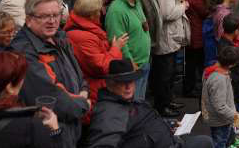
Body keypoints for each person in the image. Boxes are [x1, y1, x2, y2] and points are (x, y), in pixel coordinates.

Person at [10, 0, 90, 148]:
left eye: (56, 15)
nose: (52, 21)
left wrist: (84, 90)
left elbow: (79, 74)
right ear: (29, 20)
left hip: (71, 126)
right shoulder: (24, 51)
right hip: (51, 132)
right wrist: (83, 104)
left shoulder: (60, 38)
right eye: (44, 16)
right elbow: (51, 97)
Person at [84, 58, 213, 148]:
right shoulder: (109, 113)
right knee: (205, 142)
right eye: (122, 83)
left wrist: (168, 123)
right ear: (110, 85)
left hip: (169, 139)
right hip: (166, 143)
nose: (128, 87)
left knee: (204, 141)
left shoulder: (128, 101)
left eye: (131, 81)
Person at [64, 0, 127, 107]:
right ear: (92, 15)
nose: (102, 13)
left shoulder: (84, 29)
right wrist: (116, 48)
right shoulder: (83, 37)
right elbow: (101, 66)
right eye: (99, 10)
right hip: (94, 91)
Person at [148, 0, 189, 117]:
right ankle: (162, 105)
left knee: (168, 72)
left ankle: (167, 101)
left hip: (168, 34)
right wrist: (183, 6)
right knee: (164, 73)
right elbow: (168, 13)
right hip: (166, 35)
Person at [105, 0, 152, 101]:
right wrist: (131, 64)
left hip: (143, 63)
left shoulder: (137, 2)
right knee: (133, 107)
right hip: (132, 69)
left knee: (140, 102)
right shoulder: (116, 11)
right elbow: (118, 42)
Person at [202, 46, 239, 148]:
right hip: (220, 120)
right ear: (231, 64)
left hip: (221, 116)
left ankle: (231, 142)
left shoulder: (212, 69)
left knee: (226, 135)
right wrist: (234, 115)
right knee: (220, 141)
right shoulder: (219, 80)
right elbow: (220, 106)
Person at [178, 0, 208, 98]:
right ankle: (190, 88)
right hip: (195, 28)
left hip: (190, 25)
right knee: (194, 61)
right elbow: (203, 11)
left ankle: (190, 86)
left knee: (191, 60)